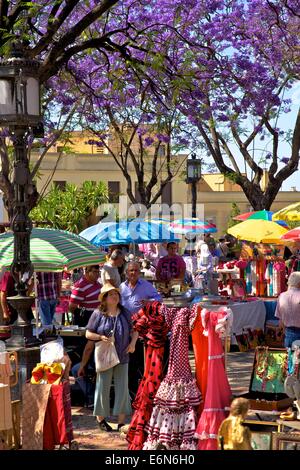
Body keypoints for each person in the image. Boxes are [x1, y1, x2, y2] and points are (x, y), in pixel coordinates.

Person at [85, 283, 138, 432]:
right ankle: (101, 419)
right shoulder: (97, 314)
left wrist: (133, 343)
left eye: (116, 294)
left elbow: (135, 330)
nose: (114, 296)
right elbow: (88, 334)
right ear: (104, 298)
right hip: (105, 356)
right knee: (103, 386)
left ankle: (121, 422)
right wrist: (100, 337)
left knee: (122, 389)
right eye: (111, 294)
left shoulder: (125, 312)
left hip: (123, 355)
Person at [275, 272, 300, 348]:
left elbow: (280, 319)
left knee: (289, 358)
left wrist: (280, 331)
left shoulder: (282, 296)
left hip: (288, 333)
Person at [71, 339, 96, 407]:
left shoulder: (95, 330)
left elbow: (88, 349)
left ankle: (92, 398)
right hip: (119, 361)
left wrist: (82, 366)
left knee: (76, 370)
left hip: (100, 362)